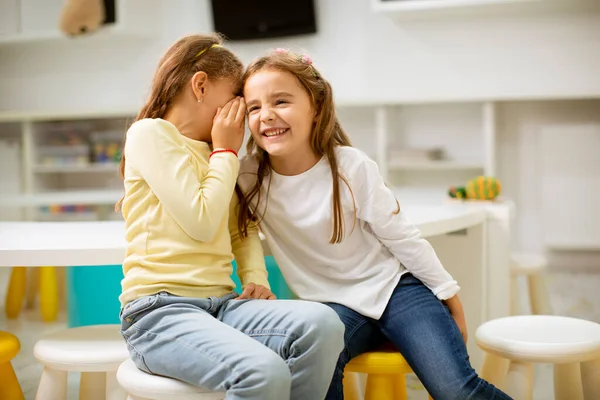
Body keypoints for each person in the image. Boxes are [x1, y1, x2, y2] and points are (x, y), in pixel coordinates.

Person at [238, 48, 513, 400]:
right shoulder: (247, 176)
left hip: (397, 291)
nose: (267, 116)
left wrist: (449, 295)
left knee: (456, 389)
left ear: (316, 107)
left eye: (281, 101)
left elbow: (402, 238)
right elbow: (236, 230)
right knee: (314, 378)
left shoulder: (350, 166)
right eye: (254, 107)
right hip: (331, 309)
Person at [116, 35, 344, 400]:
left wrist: (255, 277)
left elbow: (242, 227)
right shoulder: (150, 134)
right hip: (158, 315)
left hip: (221, 306)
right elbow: (201, 221)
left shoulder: (217, 155)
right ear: (201, 85)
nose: (239, 119)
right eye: (233, 105)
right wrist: (225, 151)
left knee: (323, 324)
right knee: (262, 372)